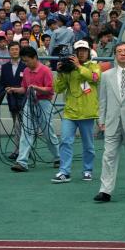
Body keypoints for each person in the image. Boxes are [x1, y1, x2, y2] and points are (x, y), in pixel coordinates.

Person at [93, 42, 125, 201]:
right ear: (115, 54)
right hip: (111, 122)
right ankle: (105, 190)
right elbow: (102, 100)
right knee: (108, 156)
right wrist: (101, 119)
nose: (122, 54)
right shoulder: (106, 75)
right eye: (119, 51)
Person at [51, 40, 101, 183]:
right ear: (75, 52)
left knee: (88, 145)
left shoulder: (94, 66)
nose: (82, 53)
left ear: (88, 52)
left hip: (87, 112)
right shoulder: (69, 68)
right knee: (65, 141)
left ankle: (87, 170)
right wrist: (60, 73)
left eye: (84, 50)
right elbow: (58, 89)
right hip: (70, 112)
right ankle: (64, 172)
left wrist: (79, 67)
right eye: (79, 50)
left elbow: (95, 78)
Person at [9, 46, 60, 172]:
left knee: (48, 132)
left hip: (44, 103)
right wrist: (14, 89)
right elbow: (25, 88)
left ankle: (58, 157)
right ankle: (22, 162)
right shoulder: (26, 71)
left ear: (35, 58)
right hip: (30, 103)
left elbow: (50, 89)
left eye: (27, 60)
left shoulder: (46, 70)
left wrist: (36, 88)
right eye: (24, 61)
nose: (26, 63)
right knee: (26, 131)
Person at [0, 41, 26, 160]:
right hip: (12, 100)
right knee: (16, 124)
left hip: (24, 99)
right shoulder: (5, 67)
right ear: (9, 51)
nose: (14, 51)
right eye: (12, 49)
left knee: (19, 125)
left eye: (16, 49)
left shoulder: (25, 66)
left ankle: (19, 150)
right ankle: (21, 149)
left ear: (20, 50)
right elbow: (2, 83)